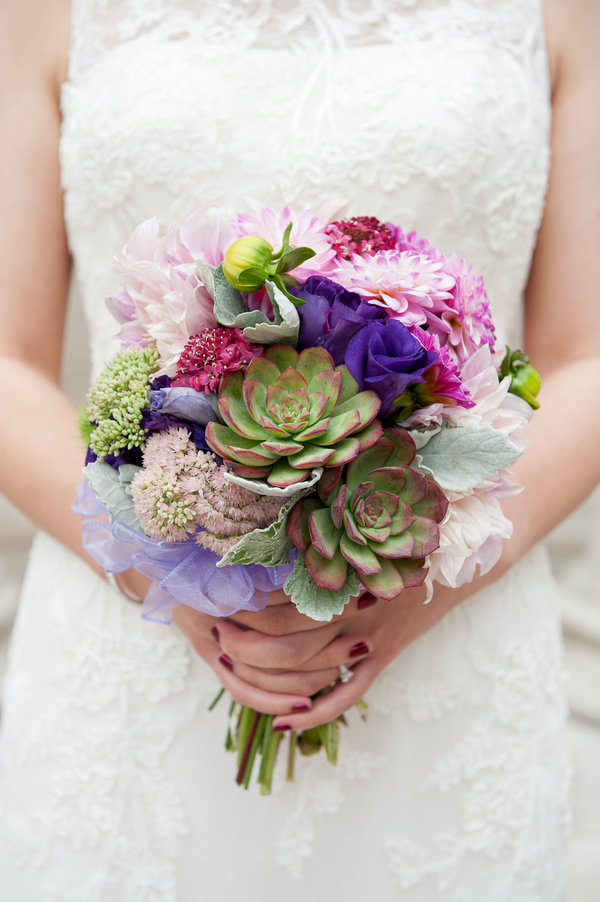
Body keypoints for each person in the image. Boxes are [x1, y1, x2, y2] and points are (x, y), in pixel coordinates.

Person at [0, 0, 599, 899]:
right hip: (127, 645)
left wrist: (423, 583)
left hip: (453, 630)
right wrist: (167, 576)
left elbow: (587, 355)